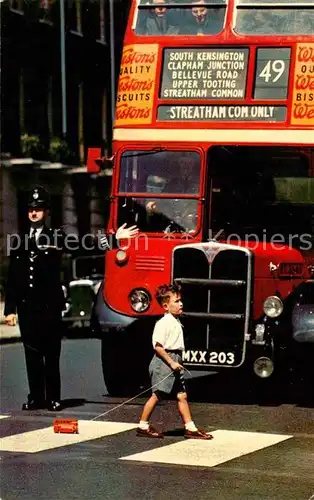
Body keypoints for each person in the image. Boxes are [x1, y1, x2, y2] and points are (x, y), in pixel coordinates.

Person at [4, 186, 138, 411]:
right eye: (31, 209)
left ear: (46, 212)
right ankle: (36, 397)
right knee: (31, 355)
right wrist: (10, 309)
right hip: (27, 307)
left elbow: (86, 245)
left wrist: (115, 239)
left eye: (38, 209)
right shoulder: (19, 240)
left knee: (51, 353)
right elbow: (13, 277)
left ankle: (53, 397)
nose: (34, 213)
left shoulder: (56, 237)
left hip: (49, 305)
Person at [137, 283, 213, 439]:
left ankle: (190, 427)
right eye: (177, 301)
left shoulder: (175, 321)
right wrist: (171, 363)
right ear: (165, 306)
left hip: (175, 359)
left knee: (181, 395)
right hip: (164, 361)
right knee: (157, 394)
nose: (181, 304)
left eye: (180, 300)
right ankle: (143, 425)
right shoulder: (163, 323)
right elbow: (158, 347)